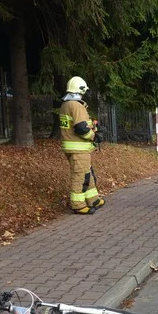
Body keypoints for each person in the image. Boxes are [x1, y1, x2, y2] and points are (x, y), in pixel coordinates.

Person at [59, 76, 105, 214]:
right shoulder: (76, 105)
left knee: (87, 173)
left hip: (74, 147)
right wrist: (94, 136)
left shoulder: (65, 105)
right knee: (80, 176)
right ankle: (78, 204)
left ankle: (93, 199)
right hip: (79, 148)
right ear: (81, 89)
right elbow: (81, 128)